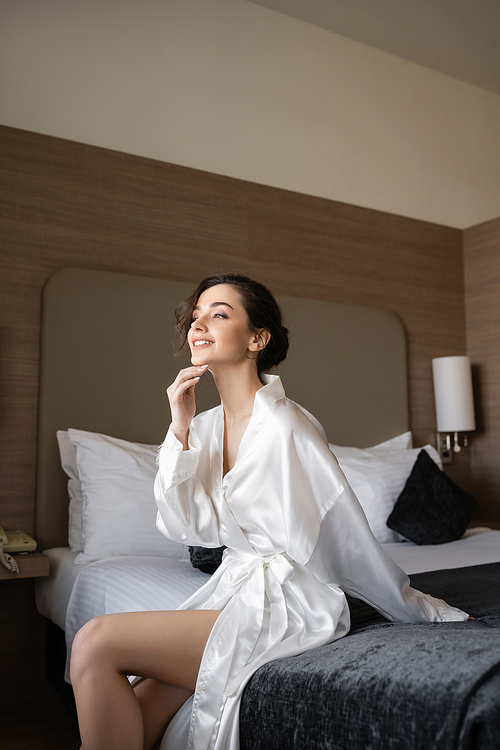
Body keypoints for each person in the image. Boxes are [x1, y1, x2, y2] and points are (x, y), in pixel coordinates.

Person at [70, 273, 469, 750]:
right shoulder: (204, 426)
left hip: (290, 599)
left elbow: (343, 530)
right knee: (143, 706)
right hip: (235, 588)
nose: (199, 324)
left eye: (219, 313)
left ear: (257, 339)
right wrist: (179, 428)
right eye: (196, 316)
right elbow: (184, 526)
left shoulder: (286, 425)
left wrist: (412, 606)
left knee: (95, 641)